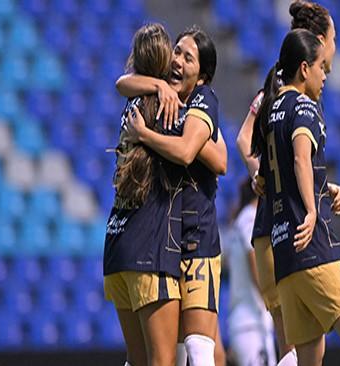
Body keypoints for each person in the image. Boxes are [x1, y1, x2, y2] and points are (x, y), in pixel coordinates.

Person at [252, 28, 340, 366]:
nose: (325, 76)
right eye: (322, 67)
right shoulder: (303, 106)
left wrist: (325, 188)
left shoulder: (270, 109)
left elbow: (262, 180)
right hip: (313, 242)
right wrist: (311, 209)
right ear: (304, 68)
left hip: (284, 256)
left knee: (308, 359)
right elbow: (300, 157)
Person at [236, 2, 340, 363]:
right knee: (308, 343)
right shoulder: (285, 85)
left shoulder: (294, 87)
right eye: (333, 38)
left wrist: (319, 185)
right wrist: (260, 174)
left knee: (304, 347)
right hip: (286, 226)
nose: (335, 46)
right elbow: (246, 138)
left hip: (274, 229)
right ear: (318, 42)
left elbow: (278, 152)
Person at [119, 25, 226, 366]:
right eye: (177, 51)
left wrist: (147, 135)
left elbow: (212, 157)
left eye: (187, 57)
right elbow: (122, 83)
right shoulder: (164, 91)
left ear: (203, 76)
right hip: (164, 238)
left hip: (196, 236)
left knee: (196, 347)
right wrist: (159, 84)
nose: (177, 60)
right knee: (168, 350)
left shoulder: (203, 101)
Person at [103, 23, 184, 366]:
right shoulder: (166, 108)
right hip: (149, 247)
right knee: (162, 360)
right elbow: (198, 154)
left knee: (136, 359)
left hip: (117, 244)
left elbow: (122, 83)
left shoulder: (133, 105)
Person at [226, 178, 276, 366]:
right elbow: (254, 257)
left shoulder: (245, 217)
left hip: (254, 323)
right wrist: (271, 298)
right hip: (250, 324)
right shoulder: (250, 217)